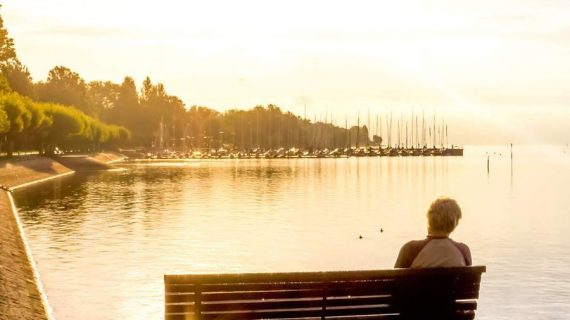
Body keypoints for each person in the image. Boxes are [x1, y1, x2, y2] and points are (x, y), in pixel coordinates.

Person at [394, 197, 471, 268]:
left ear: (429, 219)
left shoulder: (410, 250)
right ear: (455, 223)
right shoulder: (463, 251)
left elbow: (394, 281)